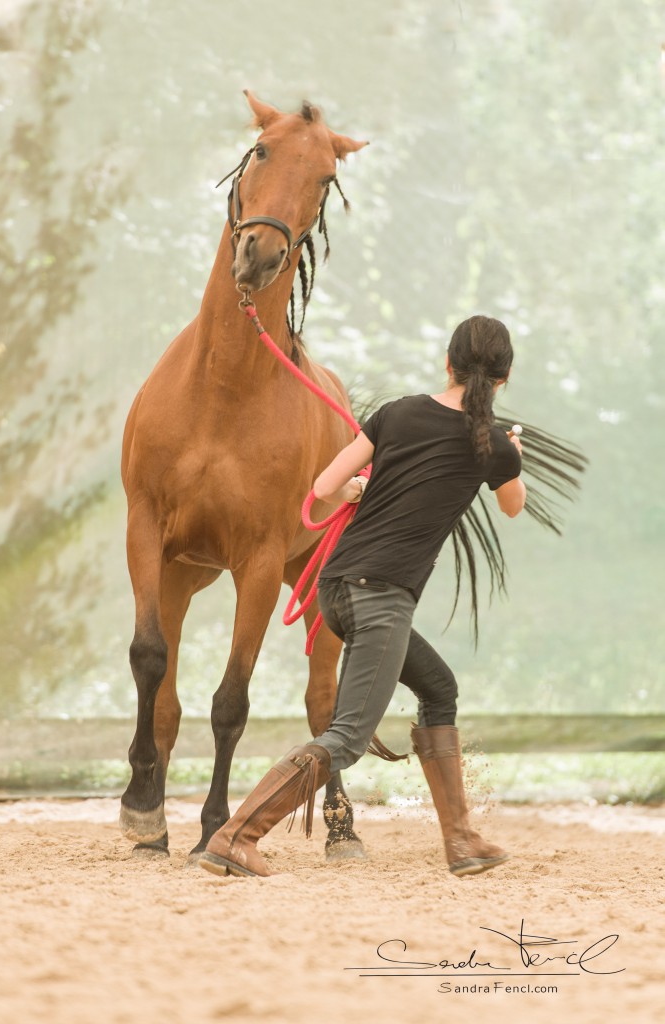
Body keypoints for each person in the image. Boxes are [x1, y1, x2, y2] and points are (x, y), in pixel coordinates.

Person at [199, 314, 526, 880]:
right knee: (347, 738)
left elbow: (325, 487)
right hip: (383, 597)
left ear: (447, 364)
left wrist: (356, 487)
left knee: (438, 688)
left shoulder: (395, 413)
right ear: (504, 378)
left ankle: (461, 840)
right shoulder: (495, 446)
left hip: (337, 588)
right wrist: (513, 455)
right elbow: (513, 505)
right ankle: (236, 836)